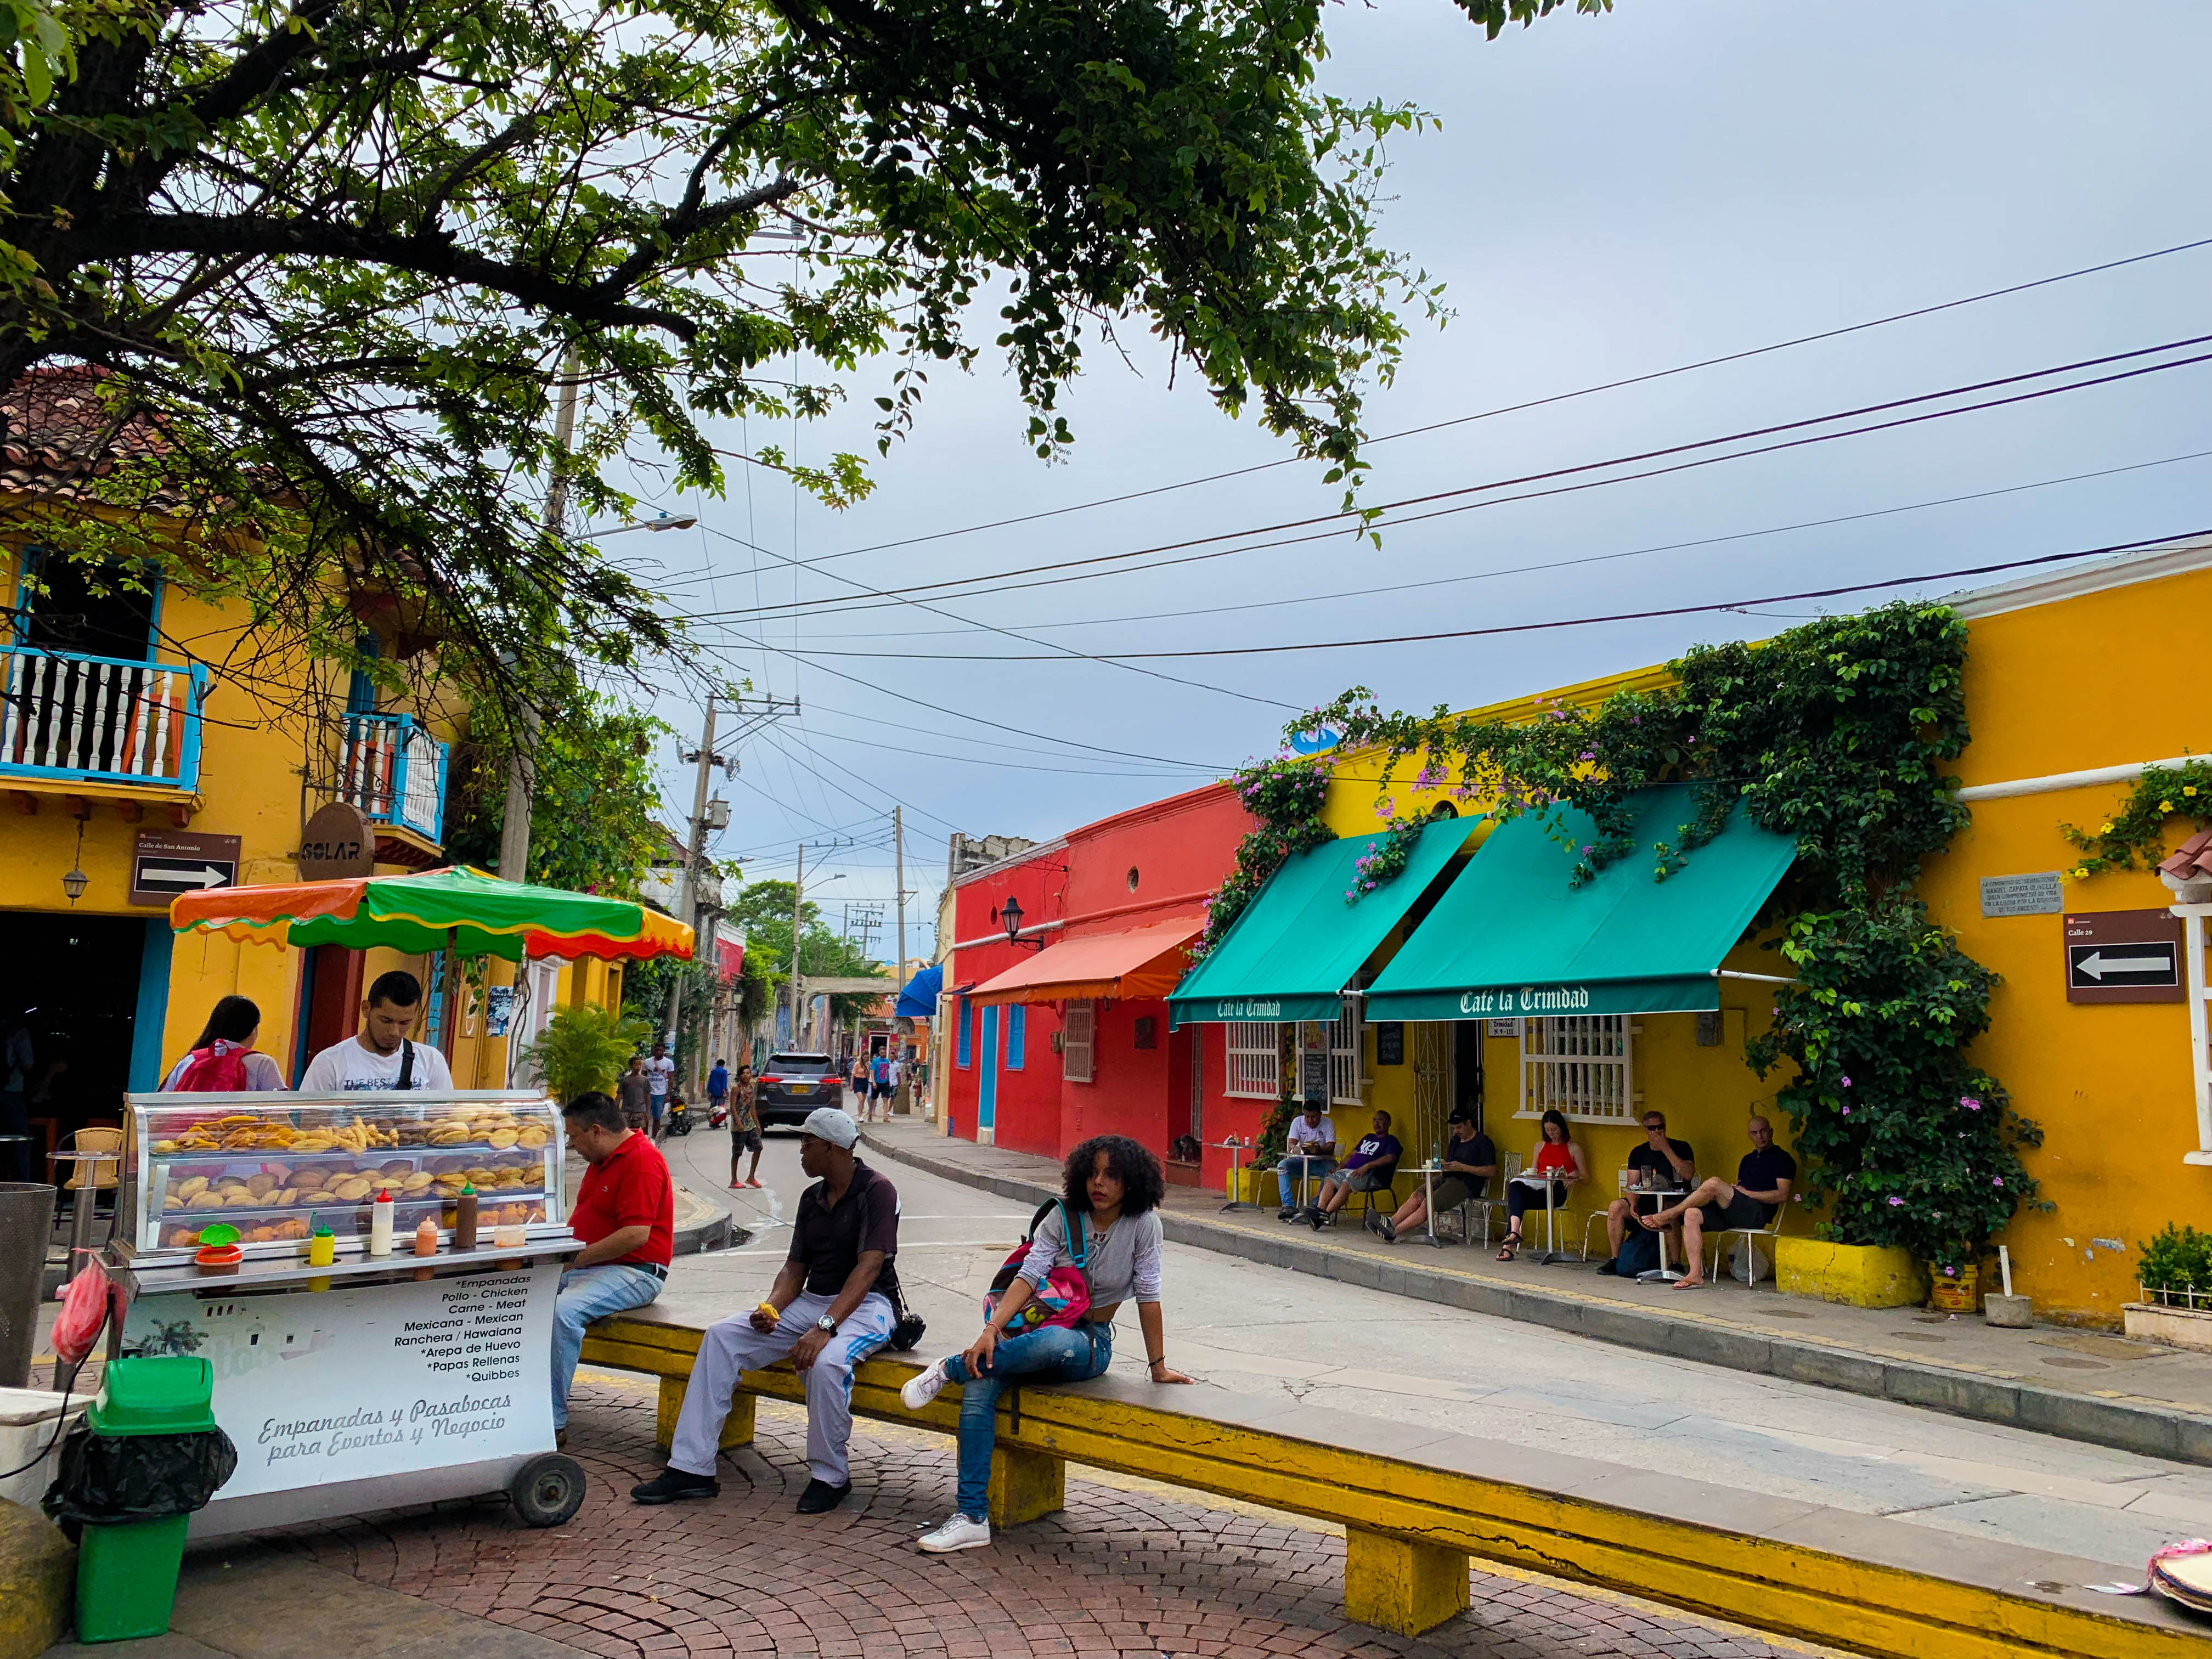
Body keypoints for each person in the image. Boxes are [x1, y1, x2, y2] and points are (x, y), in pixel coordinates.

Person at [902, 1134, 1194, 1553]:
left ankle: (951, 1368)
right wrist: (991, 1331)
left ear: (1132, 1182)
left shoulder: (1144, 1225)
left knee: (1054, 1341)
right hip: (1024, 1336)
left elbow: (1149, 1294)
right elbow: (1029, 1275)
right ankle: (971, 1517)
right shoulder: (1062, 1217)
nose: (1100, 1183)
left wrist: (1159, 1365)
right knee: (982, 1383)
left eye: (1112, 1175)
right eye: (1093, 1173)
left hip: (1087, 1344)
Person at [631, 1107, 901, 1513]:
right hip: (814, 1301)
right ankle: (691, 1468)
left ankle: (831, 1476)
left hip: (868, 1306)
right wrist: (771, 1309)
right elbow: (795, 1268)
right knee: (723, 1338)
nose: (802, 1152)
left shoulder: (877, 1191)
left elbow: (869, 1268)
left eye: (807, 1144)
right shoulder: (813, 1197)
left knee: (827, 1364)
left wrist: (824, 1327)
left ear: (830, 1148)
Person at [552, 1091, 673, 1444]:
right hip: (592, 1268)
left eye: (574, 1136)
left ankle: (552, 1418)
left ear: (596, 1131)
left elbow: (636, 1234)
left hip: (636, 1271)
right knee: (523, 1298)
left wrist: (578, 1259)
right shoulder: (601, 1161)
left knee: (563, 1313)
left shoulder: (641, 1160)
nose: (573, 1145)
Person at [1641, 1117, 1798, 1289]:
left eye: (1763, 1131)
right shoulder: (1748, 1160)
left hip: (1757, 1214)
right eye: (1755, 1133)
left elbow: (1782, 1195)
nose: (1760, 1136)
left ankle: (1670, 1214)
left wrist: (1747, 1193)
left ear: (1771, 1132)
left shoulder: (1783, 1159)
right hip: (1735, 1211)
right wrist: (1735, 1190)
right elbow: (1741, 1189)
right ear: (1750, 1136)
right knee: (1692, 1214)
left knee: (1714, 1184)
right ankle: (1695, 1274)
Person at [297, 970, 454, 1090]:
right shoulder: (330, 1063)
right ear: (366, 1009)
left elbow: (446, 1120)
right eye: (386, 1020)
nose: (395, 1032)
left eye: (405, 1023)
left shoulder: (431, 1061)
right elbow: (308, 1126)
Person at [1372, 1108, 1496, 1244]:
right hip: (1447, 1177)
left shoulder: (1483, 1142)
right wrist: (1444, 1164)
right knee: (1418, 1194)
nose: (1457, 1132)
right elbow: (1451, 1162)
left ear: (1469, 1123)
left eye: (1459, 1128)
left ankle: (1394, 1232)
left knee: (1428, 1203)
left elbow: (1490, 1171)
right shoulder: (1456, 1141)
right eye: (1454, 1128)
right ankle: (1390, 1222)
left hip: (1467, 1183)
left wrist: (1464, 1167)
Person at [1597, 1112, 1697, 1276]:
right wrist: (1633, 1203)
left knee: (1669, 1211)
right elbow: (1632, 1184)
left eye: (1661, 1127)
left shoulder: (1681, 1147)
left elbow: (1688, 1174)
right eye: (1652, 1128)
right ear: (1645, 1130)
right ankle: (1616, 1259)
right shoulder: (1639, 1152)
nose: (1657, 1131)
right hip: (1646, 1201)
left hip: (1675, 1200)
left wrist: (1665, 1148)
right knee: (1616, 1207)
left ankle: (1676, 1263)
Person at [1497, 1108, 1586, 1261]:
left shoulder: (1573, 1148)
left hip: (1557, 1192)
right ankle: (1514, 1233)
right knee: (1516, 1188)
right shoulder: (1540, 1146)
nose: (1552, 1133)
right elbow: (1534, 1169)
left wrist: (1573, 1175)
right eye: (1548, 1130)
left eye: (1554, 1129)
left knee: (1516, 1201)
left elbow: (1585, 1174)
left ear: (1561, 1128)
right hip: (1539, 1188)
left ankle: (1509, 1245)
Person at [160, 996, 287, 1092]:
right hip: (239, 1128)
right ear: (253, 1029)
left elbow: (164, 1106)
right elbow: (279, 1114)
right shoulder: (262, 1064)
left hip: (193, 1128)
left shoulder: (190, 1061)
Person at [1304, 1108, 1401, 1229]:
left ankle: (1325, 1215)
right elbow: (1352, 1155)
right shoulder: (1368, 1137)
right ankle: (1320, 1211)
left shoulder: (1391, 1141)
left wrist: (1367, 1166)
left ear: (1389, 1123)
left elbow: (1390, 1158)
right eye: (1374, 1120)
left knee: (1347, 1183)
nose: (1376, 1124)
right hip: (1350, 1171)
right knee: (1330, 1180)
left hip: (1371, 1175)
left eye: (1380, 1121)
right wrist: (1339, 1168)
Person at [1274, 1100, 1336, 1220]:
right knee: (1283, 1165)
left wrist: (1319, 1150)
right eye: (1307, 1117)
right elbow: (1291, 1144)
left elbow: (1331, 1146)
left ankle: (1317, 1206)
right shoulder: (1297, 1122)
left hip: (1321, 1162)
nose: (1310, 1120)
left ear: (1320, 1114)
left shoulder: (1328, 1124)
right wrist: (1300, 1149)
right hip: (1301, 1162)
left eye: (1313, 1117)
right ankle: (1288, 1206)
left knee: (1331, 1170)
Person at [728, 1063, 764, 1189]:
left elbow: (752, 1108)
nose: (746, 1075)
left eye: (748, 1073)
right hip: (739, 1127)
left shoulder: (751, 1088)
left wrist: (757, 1124)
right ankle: (734, 1180)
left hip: (750, 1124)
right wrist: (738, 1123)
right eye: (744, 1073)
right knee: (737, 1153)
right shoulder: (736, 1089)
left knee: (758, 1148)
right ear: (740, 1076)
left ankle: (751, 1177)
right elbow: (732, 1107)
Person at [643, 1041, 675, 1137]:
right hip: (648, 1094)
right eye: (657, 1050)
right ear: (654, 1050)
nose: (659, 1052)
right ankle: (645, 1136)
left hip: (660, 1094)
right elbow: (643, 1078)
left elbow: (671, 1079)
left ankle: (653, 1138)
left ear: (664, 1051)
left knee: (657, 1117)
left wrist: (668, 1094)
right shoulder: (647, 1062)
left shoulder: (669, 1063)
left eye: (661, 1050)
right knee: (646, 1117)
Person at [616, 1053, 652, 1132]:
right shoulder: (624, 1080)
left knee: (637, 1131)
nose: (638, 1067)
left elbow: (647, 1096)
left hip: (639, 1111)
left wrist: (647, 1111)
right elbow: (619, 1096)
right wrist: (616, 1109)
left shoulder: (645, 1080)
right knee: (626, 1131)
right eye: (635, 1065)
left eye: (639, 1065)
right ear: (631, 1066)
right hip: (626, 1110)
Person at [707, 1057, 730, 1121]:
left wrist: (709, 1091)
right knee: (720, 1107)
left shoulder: (713, 1071)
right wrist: (724, 1090)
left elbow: (710, 1082)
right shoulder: (724, 1072)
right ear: (723, 1065)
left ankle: (712, 1120)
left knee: (713, 1107)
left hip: (713, 1092)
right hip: (721, 1092)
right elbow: (724, 1082)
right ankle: (718, 1121)